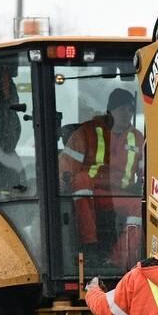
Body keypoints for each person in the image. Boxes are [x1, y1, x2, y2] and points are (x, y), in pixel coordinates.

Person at [59, 87, 144, 253]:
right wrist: (63, 182)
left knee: (139, 206)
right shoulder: (87, 132)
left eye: (129, 109)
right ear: (110, 111)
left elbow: (146, 171)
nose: (126, 113)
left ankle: (121, 261)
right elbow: (66, 165)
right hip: (92, 192)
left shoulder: (138, 138)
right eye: (121, 109)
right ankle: (89, 245)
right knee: (82, 179)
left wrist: (142, 186)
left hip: (120, 194)